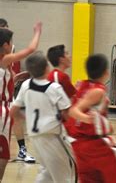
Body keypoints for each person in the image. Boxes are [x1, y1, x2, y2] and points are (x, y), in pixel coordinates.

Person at [69, 54, 116, 183]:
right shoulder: (97, 91)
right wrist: (87, 118)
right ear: (106, 72)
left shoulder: (81, 85)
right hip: (95, 146)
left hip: (80, 146)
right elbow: (74, 110)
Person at [10, 51, 75, 182]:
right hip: (53, 137)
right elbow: (67, 114)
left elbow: (13, 111)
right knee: (68, 173)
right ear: (47, 68)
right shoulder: (55, 88)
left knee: (47, 172)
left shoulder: (25, 85)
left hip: (34, 137)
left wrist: (28, 117)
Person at [0, 21, 42, 179]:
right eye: (10, 43)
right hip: (2, 110)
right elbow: (31, 49)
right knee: (3, 156)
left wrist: (14, 77)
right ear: (5, 45)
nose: (12, 45)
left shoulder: (4, 64)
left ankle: (22, 149)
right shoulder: (4, 59)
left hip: (5, 105)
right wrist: (37, 31)